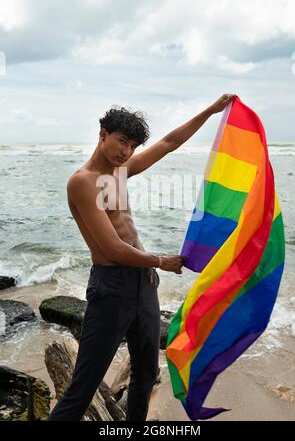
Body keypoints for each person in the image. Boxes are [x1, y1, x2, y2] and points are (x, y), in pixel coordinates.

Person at [48, 93, 235, 421]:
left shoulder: (120, 171)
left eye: (133, 145)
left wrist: (213, 109)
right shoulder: (82, 182)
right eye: (122, 142)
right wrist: (160, 261)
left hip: (144, 283)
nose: (127, 152)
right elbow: (112, 249)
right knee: (83, 388)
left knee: (146, 374)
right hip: (111, 289)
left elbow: (168, 142)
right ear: (102, 134)